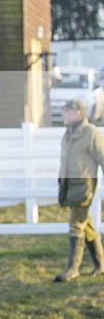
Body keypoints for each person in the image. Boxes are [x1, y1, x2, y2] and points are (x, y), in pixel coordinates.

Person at [55, 98, 104, 282]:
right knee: (86, 225)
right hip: (69, 186)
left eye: (67, 111)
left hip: (84, 187)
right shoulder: (67, 134)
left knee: (76, 225)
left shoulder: (91, 133)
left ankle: (72, 269)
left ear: (78, 113)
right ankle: (101, 265)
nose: (63, 114)